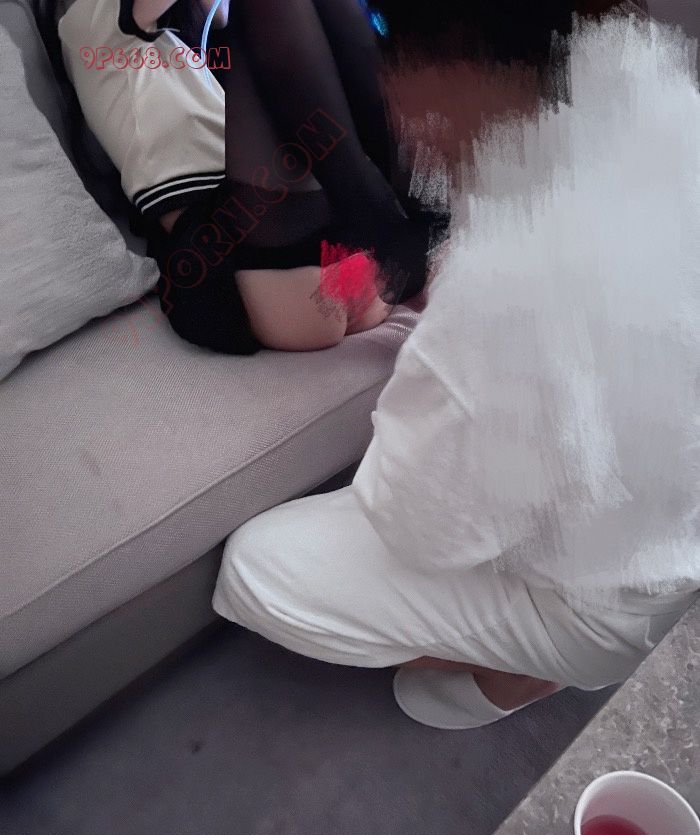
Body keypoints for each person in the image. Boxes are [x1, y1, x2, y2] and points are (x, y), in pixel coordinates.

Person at [211, 4, 700, 728]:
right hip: (672, 532)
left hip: (606, 600)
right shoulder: (656, 80)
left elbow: (422, 528)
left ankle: (525, 666)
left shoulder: (499, 297)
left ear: (448, 66)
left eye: (391, 56)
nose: (395, 104)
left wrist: (441, 375)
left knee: (256, 568)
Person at [44, 0, 444, 354]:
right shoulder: (85, 19)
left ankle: (409, 209)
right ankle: (389, 217)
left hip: (328, 253)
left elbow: (220, 15)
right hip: (239, 259)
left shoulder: (183, 37)